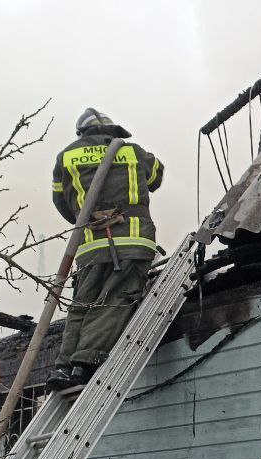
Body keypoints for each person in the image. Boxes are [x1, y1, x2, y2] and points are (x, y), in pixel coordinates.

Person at [47, 108, 164, 391]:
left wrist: (89, 219)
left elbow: (61, 202)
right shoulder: (132, 151)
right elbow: (156, 177)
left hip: (90, 245)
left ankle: (63, 366)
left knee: (83, 305)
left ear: (81, 133)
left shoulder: (66, 156)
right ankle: (84, 362)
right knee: (116, 298)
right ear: (110, 129)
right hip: (133, 240)